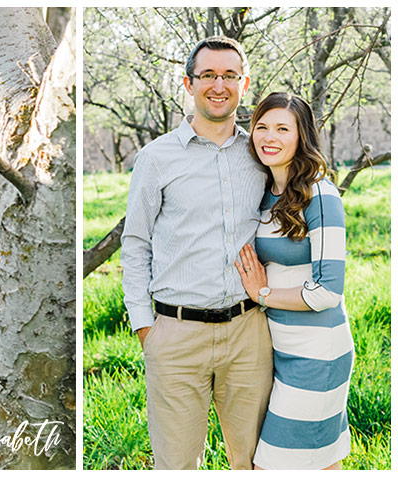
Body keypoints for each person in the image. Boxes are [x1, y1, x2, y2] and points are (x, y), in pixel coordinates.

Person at [120, 35, 273, 469]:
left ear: (244, 83)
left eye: (229, 76)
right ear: (189, 83)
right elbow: (136, 245)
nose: (218, 85)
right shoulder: (157, 158)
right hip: (176, 334)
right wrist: (145, 327)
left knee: (254, 462)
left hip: (249, 333)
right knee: (177, 464)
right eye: (208, 75)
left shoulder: (259, 154)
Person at [235, 92, 353, 470]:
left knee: (272, 466)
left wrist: (262, 293)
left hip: (317, 353)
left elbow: (328, 292)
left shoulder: (319, 193)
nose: (269, 137)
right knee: (320, 462)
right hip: (279, 351)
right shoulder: (266, 193)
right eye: (262, 127)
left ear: (302, 136)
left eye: (283, 128)